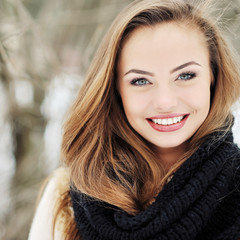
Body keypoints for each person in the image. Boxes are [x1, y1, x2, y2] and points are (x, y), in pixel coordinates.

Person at [28, 0, 240, 239]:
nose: (165, 102)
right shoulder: (65, 199)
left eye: (186, 75)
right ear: (116, 88)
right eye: (140, 81)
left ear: (214, 76)